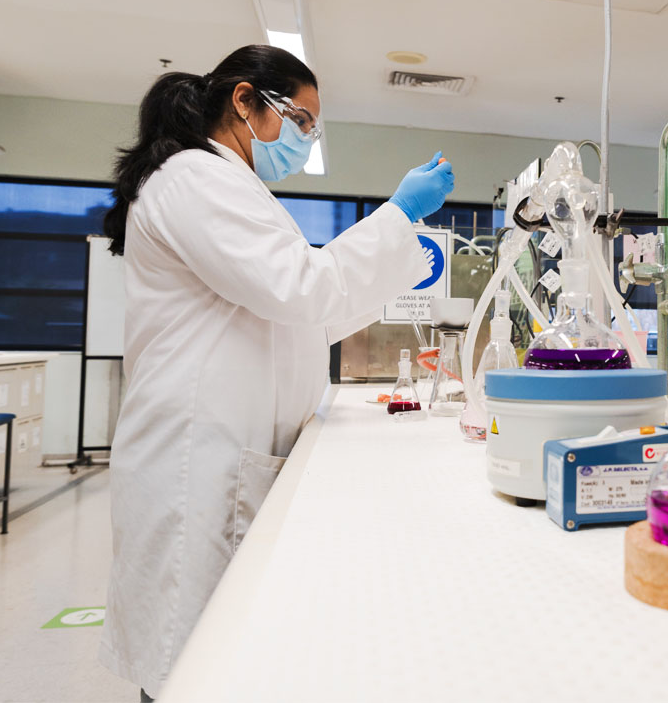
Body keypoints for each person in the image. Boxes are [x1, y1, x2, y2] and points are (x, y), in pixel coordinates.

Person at [97, 45, 454, 700]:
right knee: (188, 662)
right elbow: (300, 288)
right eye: (302, 120)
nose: (305, 140)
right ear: (243, 100)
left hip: (224, 450)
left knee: (213, 654)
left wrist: (394, 265)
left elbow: (300, 318)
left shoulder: (230, 187)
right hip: (194, 462)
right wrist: (398, 216)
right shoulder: (193, 179)